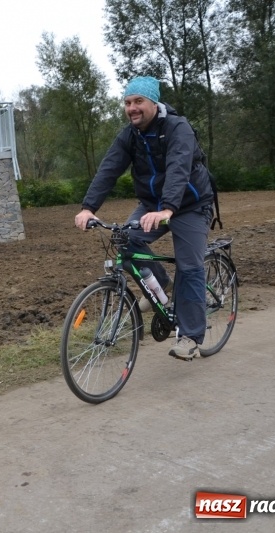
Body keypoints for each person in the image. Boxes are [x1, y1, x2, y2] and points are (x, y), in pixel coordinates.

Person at [74, 76, 214, 360]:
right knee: (126, 241)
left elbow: (178, 168)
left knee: (189, 266)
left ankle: (190, 335)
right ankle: (161, 284)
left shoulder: (178, 128)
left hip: (190, 204)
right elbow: (109, 169)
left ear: (154, 102)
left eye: (138, 101)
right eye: (127, 102)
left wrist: (168, 209)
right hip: (152, 205)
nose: (132, 108)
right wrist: (89, 207)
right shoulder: (130, 135)